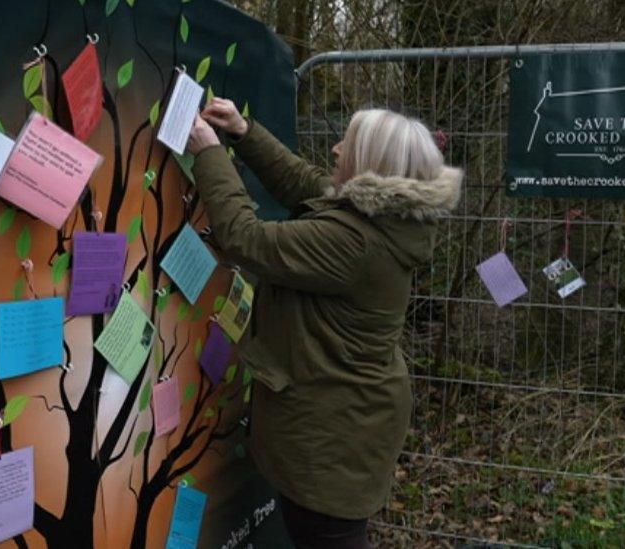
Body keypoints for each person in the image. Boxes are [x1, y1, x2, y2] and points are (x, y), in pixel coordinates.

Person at [187, 98, 463, 548]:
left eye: (347, 145)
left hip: (335, 437)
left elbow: (247, 238)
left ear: (373, 168)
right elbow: (306, 183)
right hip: (346, 420)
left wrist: (209, 153)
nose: (335, 150)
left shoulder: (356, 242)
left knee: (327, 538)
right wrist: (243, 130)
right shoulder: (386, 217)